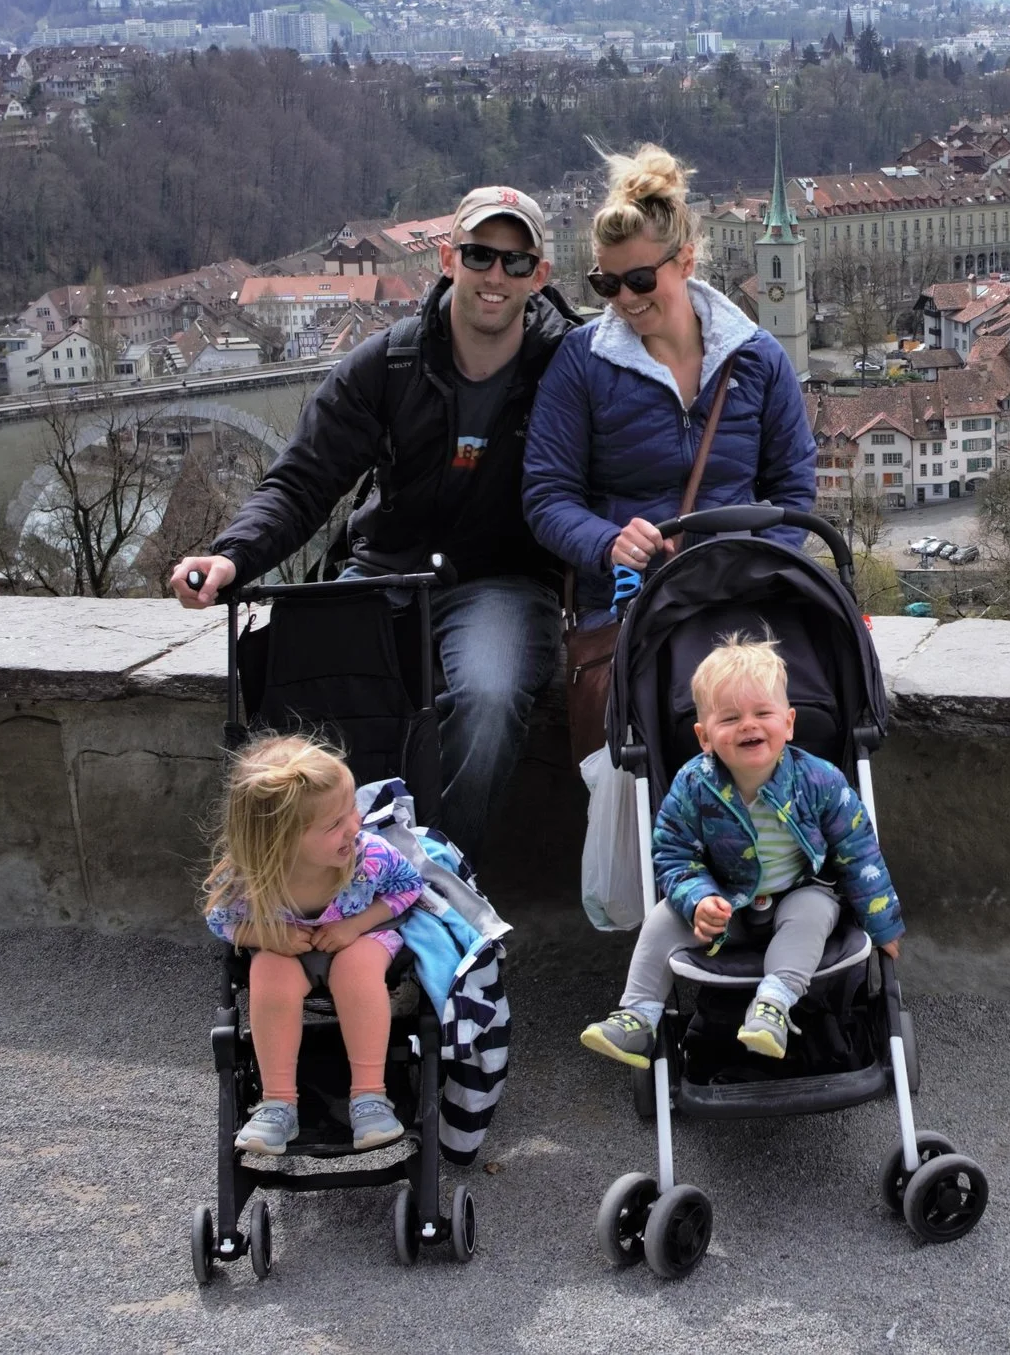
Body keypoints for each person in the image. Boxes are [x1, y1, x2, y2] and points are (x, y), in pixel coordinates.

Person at [168, 186, 576, 863]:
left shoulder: (568, 366)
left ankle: (433, 883)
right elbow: (304, 479)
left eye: (515, 261)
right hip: (386, 567)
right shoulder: (390, 363)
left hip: (501, 580)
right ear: (448, 258)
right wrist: (233, 556)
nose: (495, 275)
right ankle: (323, 879)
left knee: (489, 698)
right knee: (310, 693)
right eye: (479, 254)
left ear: (540, 275)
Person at [580, 635, 903, 1066]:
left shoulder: (819, 781)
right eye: (730, 718)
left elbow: (858, 852)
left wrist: (883, 925)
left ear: (788, 723)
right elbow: (674, 854)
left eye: (762, 714)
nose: (748, 725)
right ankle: (639, 1014)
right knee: (661, 918)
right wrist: (698, 900)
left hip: (798, 891)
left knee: (812, 912)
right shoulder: (694, 786)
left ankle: (772, 1005)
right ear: (704, 737)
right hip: (725, 903)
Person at [522, 144, 815, 617]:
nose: (624, 298)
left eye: (639, 279)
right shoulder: (581, 361)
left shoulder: (757, 358)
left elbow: (792, 486)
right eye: (606, 283)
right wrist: (608, 543)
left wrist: (758, 568)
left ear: (686, 261)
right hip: (627, 604)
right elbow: (548, 495)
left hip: (736, 594)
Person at [203, 735, 423, 1155]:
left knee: (356, 970)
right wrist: (267, 935)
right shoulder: (248, 879)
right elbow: (221, 920)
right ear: (281, 840)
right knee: (269, 973)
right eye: (335, 825)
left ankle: (369, 1096)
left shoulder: (367, 856)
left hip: (360, 935)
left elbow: (409, 889)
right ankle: (278, 1104)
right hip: (286, 945)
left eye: (352, 810)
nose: (354, 826)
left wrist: (356, 925)